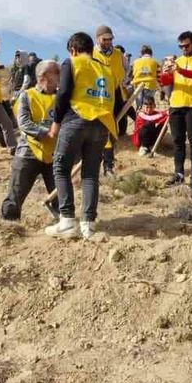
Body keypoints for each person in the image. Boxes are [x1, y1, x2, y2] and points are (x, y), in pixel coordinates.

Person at [46, 32, 116, 239]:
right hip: (102, 124)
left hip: (77, 118)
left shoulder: (73, 62)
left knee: (60, 166)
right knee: (90, 174)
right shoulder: (106, 69)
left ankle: (67, 220)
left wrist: (56, 122)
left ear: (74, 49)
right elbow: (116, 99)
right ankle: (88, 225)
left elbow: (64, 92)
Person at [1, 60, 61, 222]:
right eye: (56, 72)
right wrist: (48, 133)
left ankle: (62, 224)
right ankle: (8, 226)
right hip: (28, 152)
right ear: (43, 77)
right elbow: (24, 123)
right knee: (15, 197)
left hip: (54, 155)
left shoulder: (62, 98)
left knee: (61, 197)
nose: (60, 76)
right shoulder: (27, 96)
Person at [159, 30, 192, 188]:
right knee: (178, 141)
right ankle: (179, 173)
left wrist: (180, 70)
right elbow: (167, 81)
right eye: (181, 46)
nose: (184, 49)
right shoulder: (178, 60)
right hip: (176, 104)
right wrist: (164, 73)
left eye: (186, 45)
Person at [94, 25, 127, 174]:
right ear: (98, 38)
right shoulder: (91, 53)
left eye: (110, 39)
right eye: (104, 39)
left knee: (112, 130)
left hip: (116, 93)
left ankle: (108, 163)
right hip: (98, 95)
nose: (108, 42)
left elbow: (127, 69)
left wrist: (122, 82)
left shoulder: (119, 54)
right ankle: (106, 165)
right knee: (103, 130)